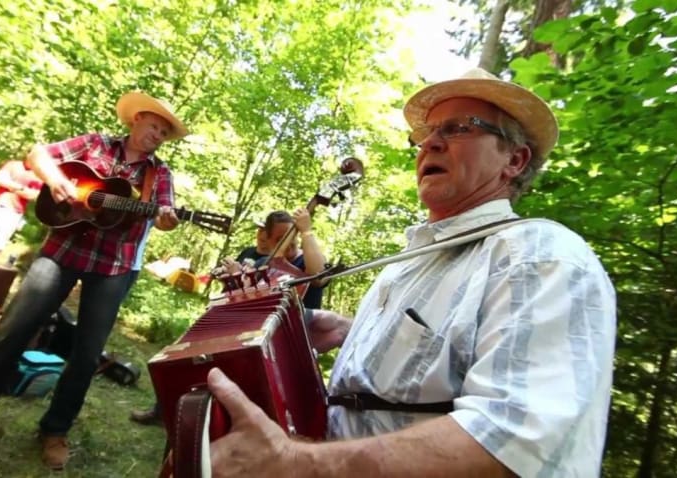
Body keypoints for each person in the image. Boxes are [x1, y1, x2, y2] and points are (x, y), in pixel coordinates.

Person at [200, 68, 617, 477]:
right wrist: (351, 331)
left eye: (459, 128)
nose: (429, 143)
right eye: (426, 133)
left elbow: (516, 442)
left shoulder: (539, 255)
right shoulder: (407, 264)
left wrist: (295, 464)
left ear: (515, 159)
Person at [0, 91, 188, 471]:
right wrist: (58, 180)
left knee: (87, 355)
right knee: (13, 331)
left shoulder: (159, 175)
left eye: (164, 133)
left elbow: (164, 215)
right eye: (154, 126)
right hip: (62, 251)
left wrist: (166, 218)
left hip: (114, 266)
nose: (157, 136)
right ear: (136, 119)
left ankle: (55, 429)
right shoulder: (96, 144)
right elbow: (38, 155)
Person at [131, 208, 328, 426]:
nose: (288, 244)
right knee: (192, 357)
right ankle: (171, 413)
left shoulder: (305, 259)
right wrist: (234, 276)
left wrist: (307, 231)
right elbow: (243, 299)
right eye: (280, 239)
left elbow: (319, 276)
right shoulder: (262, 261)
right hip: (250, 334)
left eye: (292, 236)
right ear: (268, 238)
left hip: (290, 343)